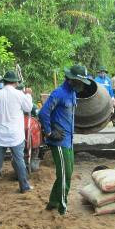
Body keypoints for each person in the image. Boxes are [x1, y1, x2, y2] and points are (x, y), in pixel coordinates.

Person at [39, 65, 90, 215]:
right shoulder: (59, 93)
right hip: (59, 142)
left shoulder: (73, 94)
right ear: (70, 80)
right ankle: (62, 207)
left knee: (66, 173)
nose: (81, 85)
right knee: (65, 174)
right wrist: (49, 132)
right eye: (79, 81)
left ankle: (53, 202)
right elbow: (43, 113)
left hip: (69, 140)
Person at [0, 71, 34, 193]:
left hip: (0, 134)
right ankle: (24, 186)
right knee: (19, 160)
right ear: (15, 82)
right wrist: (28, 94)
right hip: (15, 135)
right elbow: (28, 108)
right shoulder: (19, 94)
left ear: (4, 82)